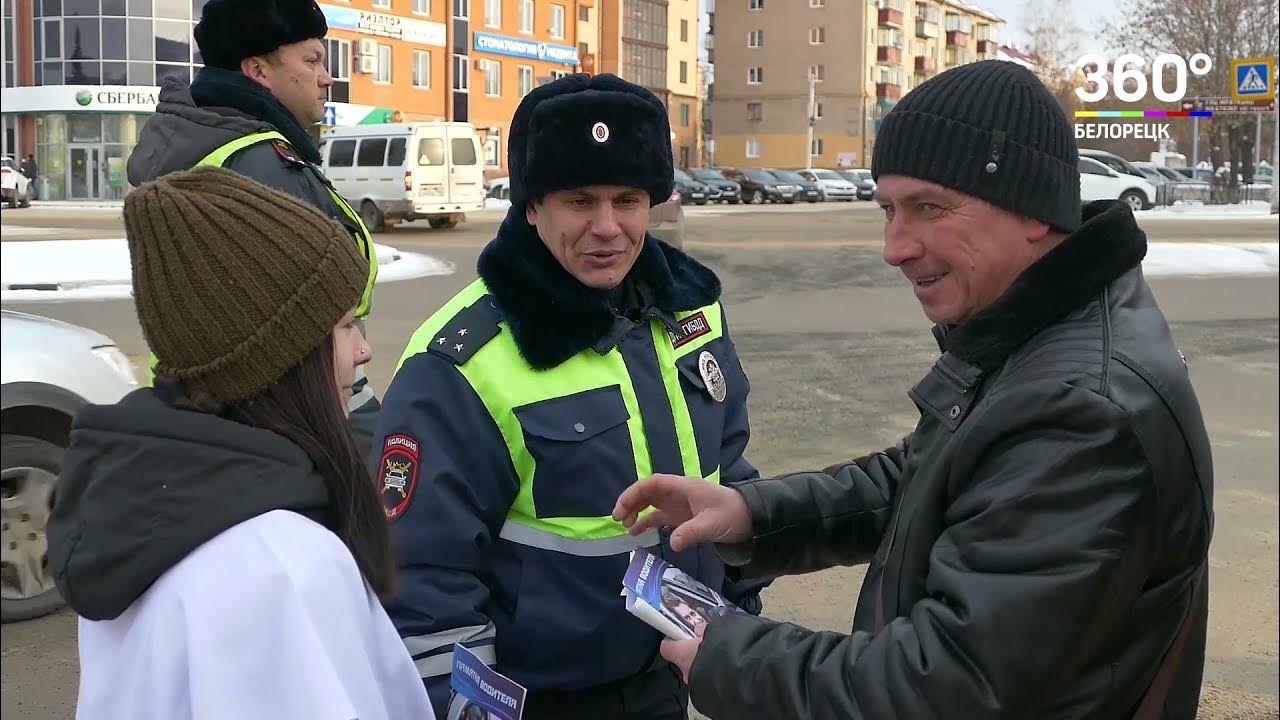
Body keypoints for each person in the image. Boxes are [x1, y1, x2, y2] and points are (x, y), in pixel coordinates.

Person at [613, 60, 1214, 720]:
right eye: (888, 211)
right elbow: (931, 477)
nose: (895, 247)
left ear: (1034, 210)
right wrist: (755, 514)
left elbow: (947, 688)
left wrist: (732, 658)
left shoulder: (1079, 409)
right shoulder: (1031, 334)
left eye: (929, 208)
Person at [374, 73, 768, 720]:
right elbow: (421, 576)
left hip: (667, 682)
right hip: (542, 703)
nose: (607, 227)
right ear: (532, 207)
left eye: (628, 200)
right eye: (580, 202)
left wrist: (742, 617)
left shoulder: (690, 317)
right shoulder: (461, 363)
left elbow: (730, 473)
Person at [45, 167, 434, 720]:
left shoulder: (137, 509)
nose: (364, 351)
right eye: (347, 326)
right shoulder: (278, 564)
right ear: (280, 359)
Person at [125, 0, 381, 457]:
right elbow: (300, 320)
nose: (326, 77)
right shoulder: (260, 164)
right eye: (311, 60)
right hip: (291, 409)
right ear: (259, 71)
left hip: (204, 402)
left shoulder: (208, 145)